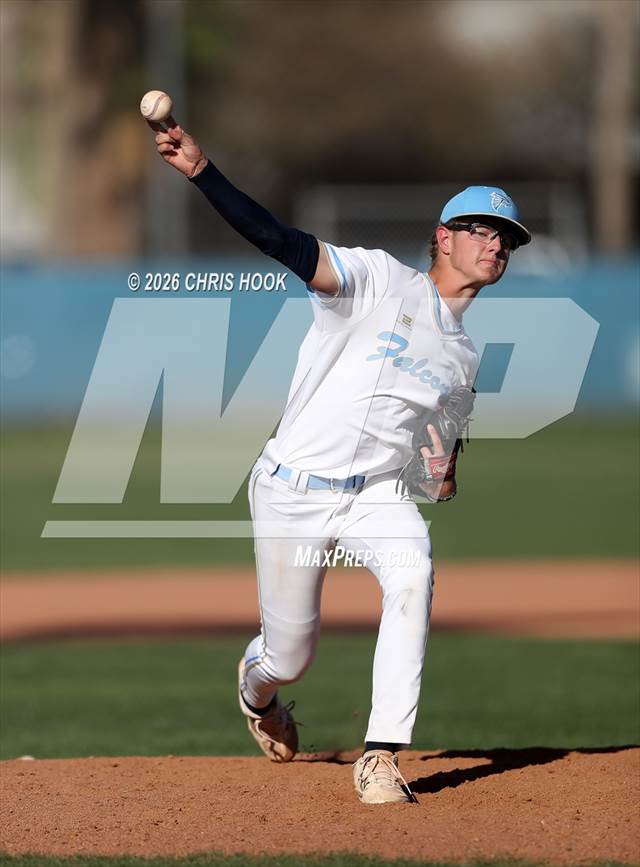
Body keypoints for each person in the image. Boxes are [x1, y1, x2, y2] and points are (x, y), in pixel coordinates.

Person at [147, 116, 531, 804]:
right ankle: (256, 692)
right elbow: (281, 241)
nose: (495, 243)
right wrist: (203, 172)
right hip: (291, 488)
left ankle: (381, 755)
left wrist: (441, 477)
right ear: (443, 237)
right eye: (479, 229)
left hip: (376, 496)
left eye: (505, 237)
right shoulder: (377, 279)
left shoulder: (465, 359)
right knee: (288, 656)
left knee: (414, 571)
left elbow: (436, 468)